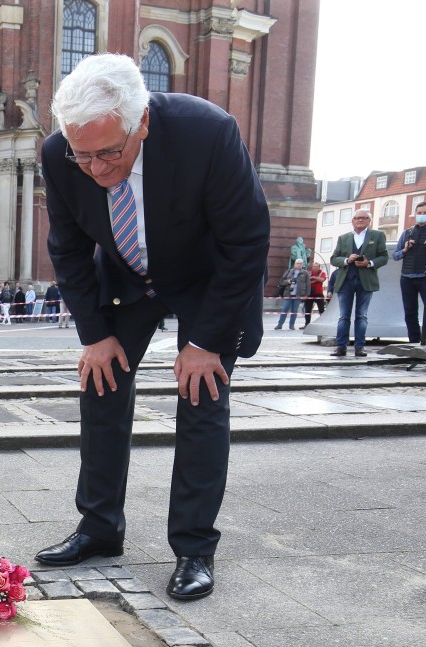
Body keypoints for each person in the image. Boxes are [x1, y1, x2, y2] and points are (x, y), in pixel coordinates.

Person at [37, 54, 269, 602]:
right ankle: (99, 528)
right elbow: (67, 250)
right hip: (125, 275)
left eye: (109, 152)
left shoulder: (207, 132)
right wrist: (94, 335)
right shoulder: (58, 154)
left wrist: (205, 342)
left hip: (206, 279)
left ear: (141, 122)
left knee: (202, 398)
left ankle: (194, 547)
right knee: (102, 386)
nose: (94, 168)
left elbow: (247, 243)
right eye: (82, 155)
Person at [330, 210, 389, 357]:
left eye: (363, 218)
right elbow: (334, 258)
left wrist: (369, 263)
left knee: (362, 315)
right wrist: (346, 260)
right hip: (346, 280)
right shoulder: (343, 238)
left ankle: (359, 347)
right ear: (352, 221)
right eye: (357, 218)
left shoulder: (377, 235)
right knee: (344, 316)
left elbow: (384, 257)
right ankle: (341, 346)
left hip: (366, 280)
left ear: (369, 220)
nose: (360, 220)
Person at [391, 201, 426, 345]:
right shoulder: (407, 233)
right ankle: (414, 341)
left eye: (425, 213)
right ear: (415, 214)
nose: (422, 216)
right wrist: (405, 249)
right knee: (410, 312)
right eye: (419, 213)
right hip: (407, 277)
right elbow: (396, 256)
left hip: (425, 277)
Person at [274, 259, 309, 330]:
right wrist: (288, 281)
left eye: (300, 264)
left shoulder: (305, 273)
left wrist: (306, 294)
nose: (299, 265)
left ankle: (291, 325)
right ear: (295, 264)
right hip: (288, 293)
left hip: (298, 294)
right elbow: (281, 281)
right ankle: (280, 324)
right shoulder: (289, 271)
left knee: (294, 310)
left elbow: (308, 284)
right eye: (297, 263)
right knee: (285, 309)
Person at [304, 261, 327, 327]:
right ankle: (307, 324)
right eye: (314, 266)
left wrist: (313, 278)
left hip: (319, 293)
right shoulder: (308, 272)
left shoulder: (322, 273)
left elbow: (322, 279)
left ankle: (322, 324)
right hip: (309, 293)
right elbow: (305, 281)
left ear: (319, 267)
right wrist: (317, 279)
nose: (315, 268)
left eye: (316, 267)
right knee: (308, 310)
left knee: (321, 309)